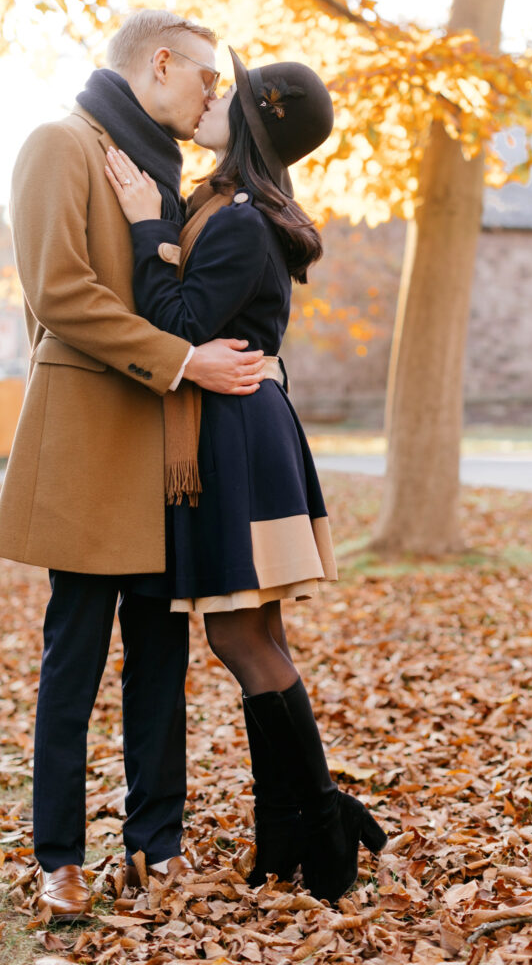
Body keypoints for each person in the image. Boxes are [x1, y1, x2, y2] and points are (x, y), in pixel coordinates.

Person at [0, 12, 269, 922]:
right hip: (85, 443)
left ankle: (158, 846)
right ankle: (59, 859)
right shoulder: (58, 143)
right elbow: (59, 292)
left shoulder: (163, 171)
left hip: (164, 452)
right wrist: (183, 361)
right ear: (160, 64)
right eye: (206, 81)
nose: (212, 99)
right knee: (72, 662)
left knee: (159, 662)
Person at [104, 47, 387, 904]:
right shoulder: (235, 206)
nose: (213, 94)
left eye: (230, 89)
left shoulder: (236, 219)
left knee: (238, 637)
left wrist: (146, 227)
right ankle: (291, 829)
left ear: (257, 122)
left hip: (236, 436)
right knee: (257, 637)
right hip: (243, 430)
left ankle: (321, 817)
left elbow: (181, 323)